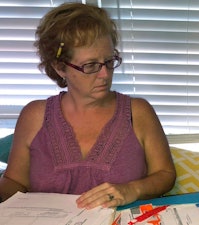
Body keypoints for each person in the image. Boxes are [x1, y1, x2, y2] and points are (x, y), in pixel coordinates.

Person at [0, 2, 176, 209]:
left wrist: (132, 189)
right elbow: (15, 183)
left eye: (110, 61)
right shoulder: (35, 115)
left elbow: (165, 175)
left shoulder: (137, 111)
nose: (105, 74)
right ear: (60, 68)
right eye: (91, 65)